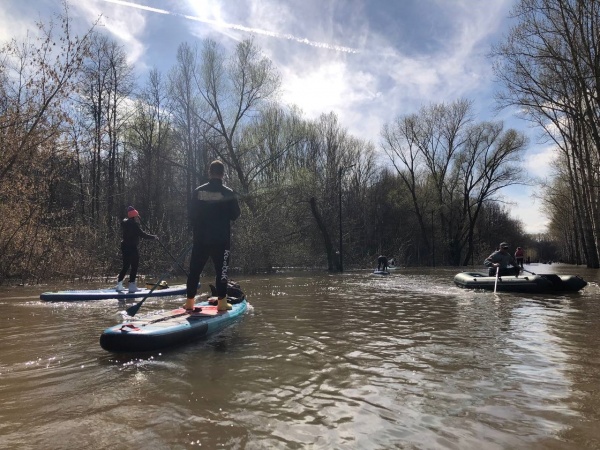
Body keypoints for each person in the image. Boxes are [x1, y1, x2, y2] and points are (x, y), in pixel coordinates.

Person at [185, 160, 241, 311]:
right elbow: (236, 214)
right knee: (221, 271)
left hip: (201, 239)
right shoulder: (228, 192)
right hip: (221, 240)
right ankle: (222, 303)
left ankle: (189, 302)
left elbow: (190, 214)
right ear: (223, 174)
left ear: (209, 172)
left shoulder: (198, 191)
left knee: (194, 271)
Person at [116, 206, 158, 292]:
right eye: (137, 216)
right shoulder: (134, 225)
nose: (139, 218)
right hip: (132, 247)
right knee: (134, 266)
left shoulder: (125, 223)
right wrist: (154, 237)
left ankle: (119, 285)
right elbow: (143, 235)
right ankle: (132, 286)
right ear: (134, 216)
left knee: (126, 266)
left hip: (124, 246)